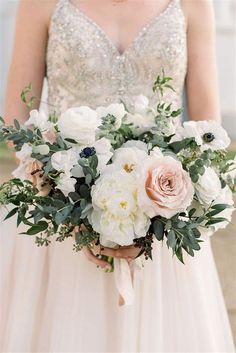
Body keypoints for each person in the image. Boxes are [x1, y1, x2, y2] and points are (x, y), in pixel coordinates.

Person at [0, 0, 235, 351]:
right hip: (61, 222)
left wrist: (157, 211)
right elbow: (16, 121)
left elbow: (206, 132)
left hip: (160, 225)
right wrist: (72, 209)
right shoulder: (39, 3)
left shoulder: (193, 4)